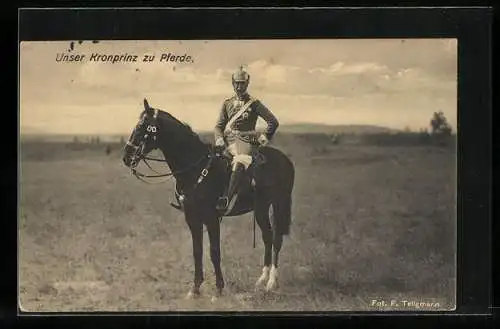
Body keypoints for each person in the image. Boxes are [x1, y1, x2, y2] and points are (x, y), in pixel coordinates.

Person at [214, 66, 279, 212]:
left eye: (242, 83)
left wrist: (264, 137)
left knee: (240, 161)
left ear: (247, 84)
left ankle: (226, 200)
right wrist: (219, 139)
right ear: (232, 84)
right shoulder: (227, 103)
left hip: (246, 142)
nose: (239, 86)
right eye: (236, 83)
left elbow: (273, 121)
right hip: (228, 141)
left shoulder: (254, 103)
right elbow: (219, 126)